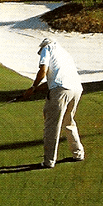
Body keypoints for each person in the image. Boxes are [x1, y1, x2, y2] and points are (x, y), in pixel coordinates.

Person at [20, 37, 84, 168]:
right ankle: (78, 153)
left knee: (52, 126)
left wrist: (32, 87)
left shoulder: (47, 48)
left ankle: (49, 161)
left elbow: (43, 71)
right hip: (77, 89)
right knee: (69, 122)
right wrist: (35, 90)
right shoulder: (64, 53)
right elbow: (53, 82)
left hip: (61, 91)